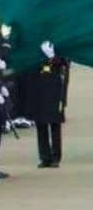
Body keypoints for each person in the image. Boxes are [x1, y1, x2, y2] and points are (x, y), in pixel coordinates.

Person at [28, 40, 70, 168]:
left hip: (54, 87)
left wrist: (52, 56)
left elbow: (64, 64)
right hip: (38, 87)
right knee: (41, 124)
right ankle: (44, 157)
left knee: (54, 124)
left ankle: (56, 156)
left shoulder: (57, 41)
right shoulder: (34, 42)